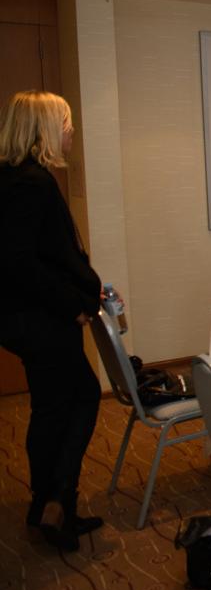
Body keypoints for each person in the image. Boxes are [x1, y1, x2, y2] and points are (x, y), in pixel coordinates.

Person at [0, 91, 105, 551]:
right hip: (41, 321)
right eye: (65, 123)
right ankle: (57, 502)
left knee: (53, 406)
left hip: (30, 319)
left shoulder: (15, 178)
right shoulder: (32, 184)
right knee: (77, 400)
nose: (71, 131)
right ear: (44, 129)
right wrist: (71, 304)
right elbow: (20, 264)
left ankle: (47, 501)